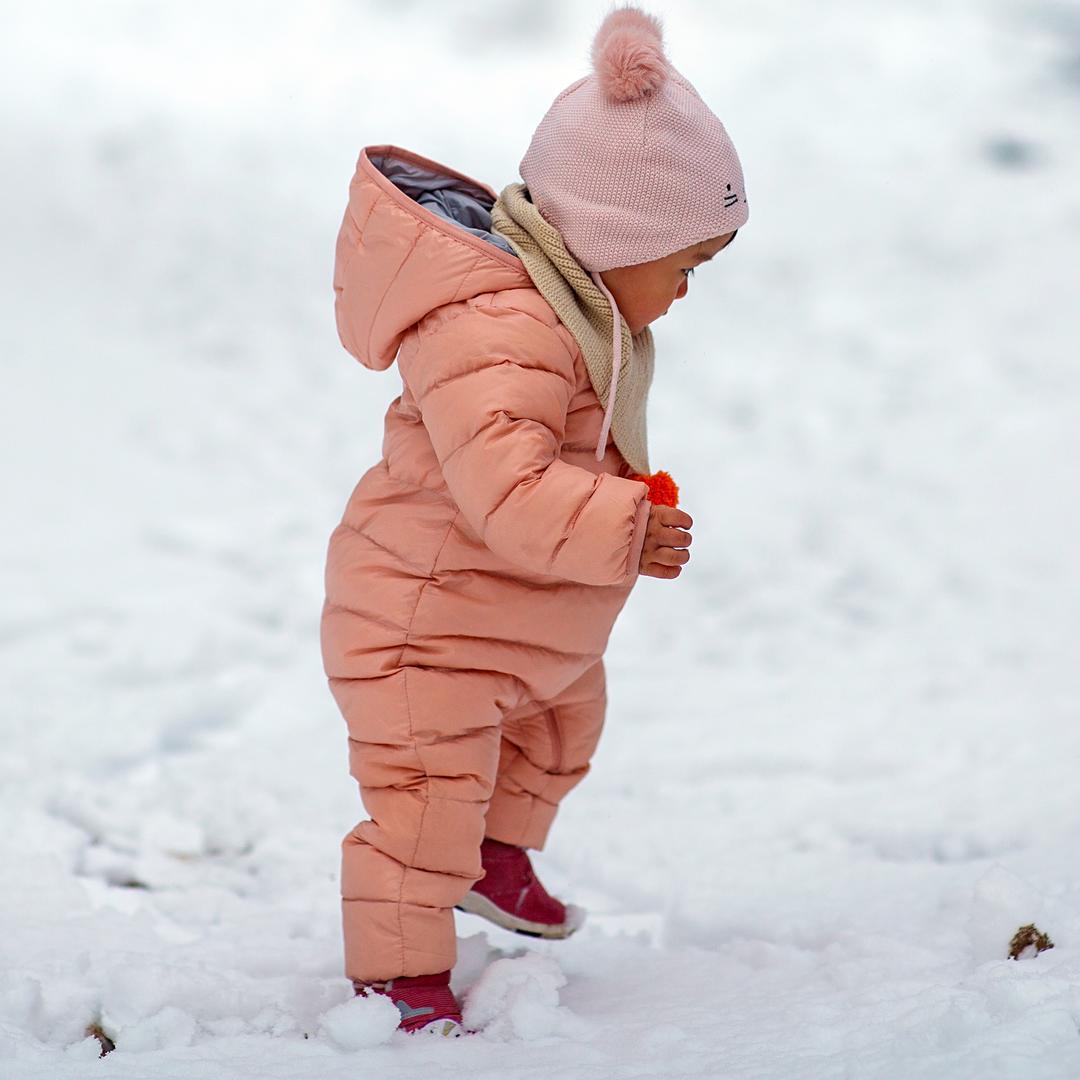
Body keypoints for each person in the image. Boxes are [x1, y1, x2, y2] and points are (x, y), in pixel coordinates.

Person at [320, 3, 748, 1037]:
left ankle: (494, 859)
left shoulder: (570, 312)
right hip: (425, 625)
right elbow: (503, 487)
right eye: (682, 265)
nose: (686, 292)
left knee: (564, 723)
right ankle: (399, 983)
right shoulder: (500, 328)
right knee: (425, 806)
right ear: (612, 237)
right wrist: (623, 527)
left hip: (512, 614)